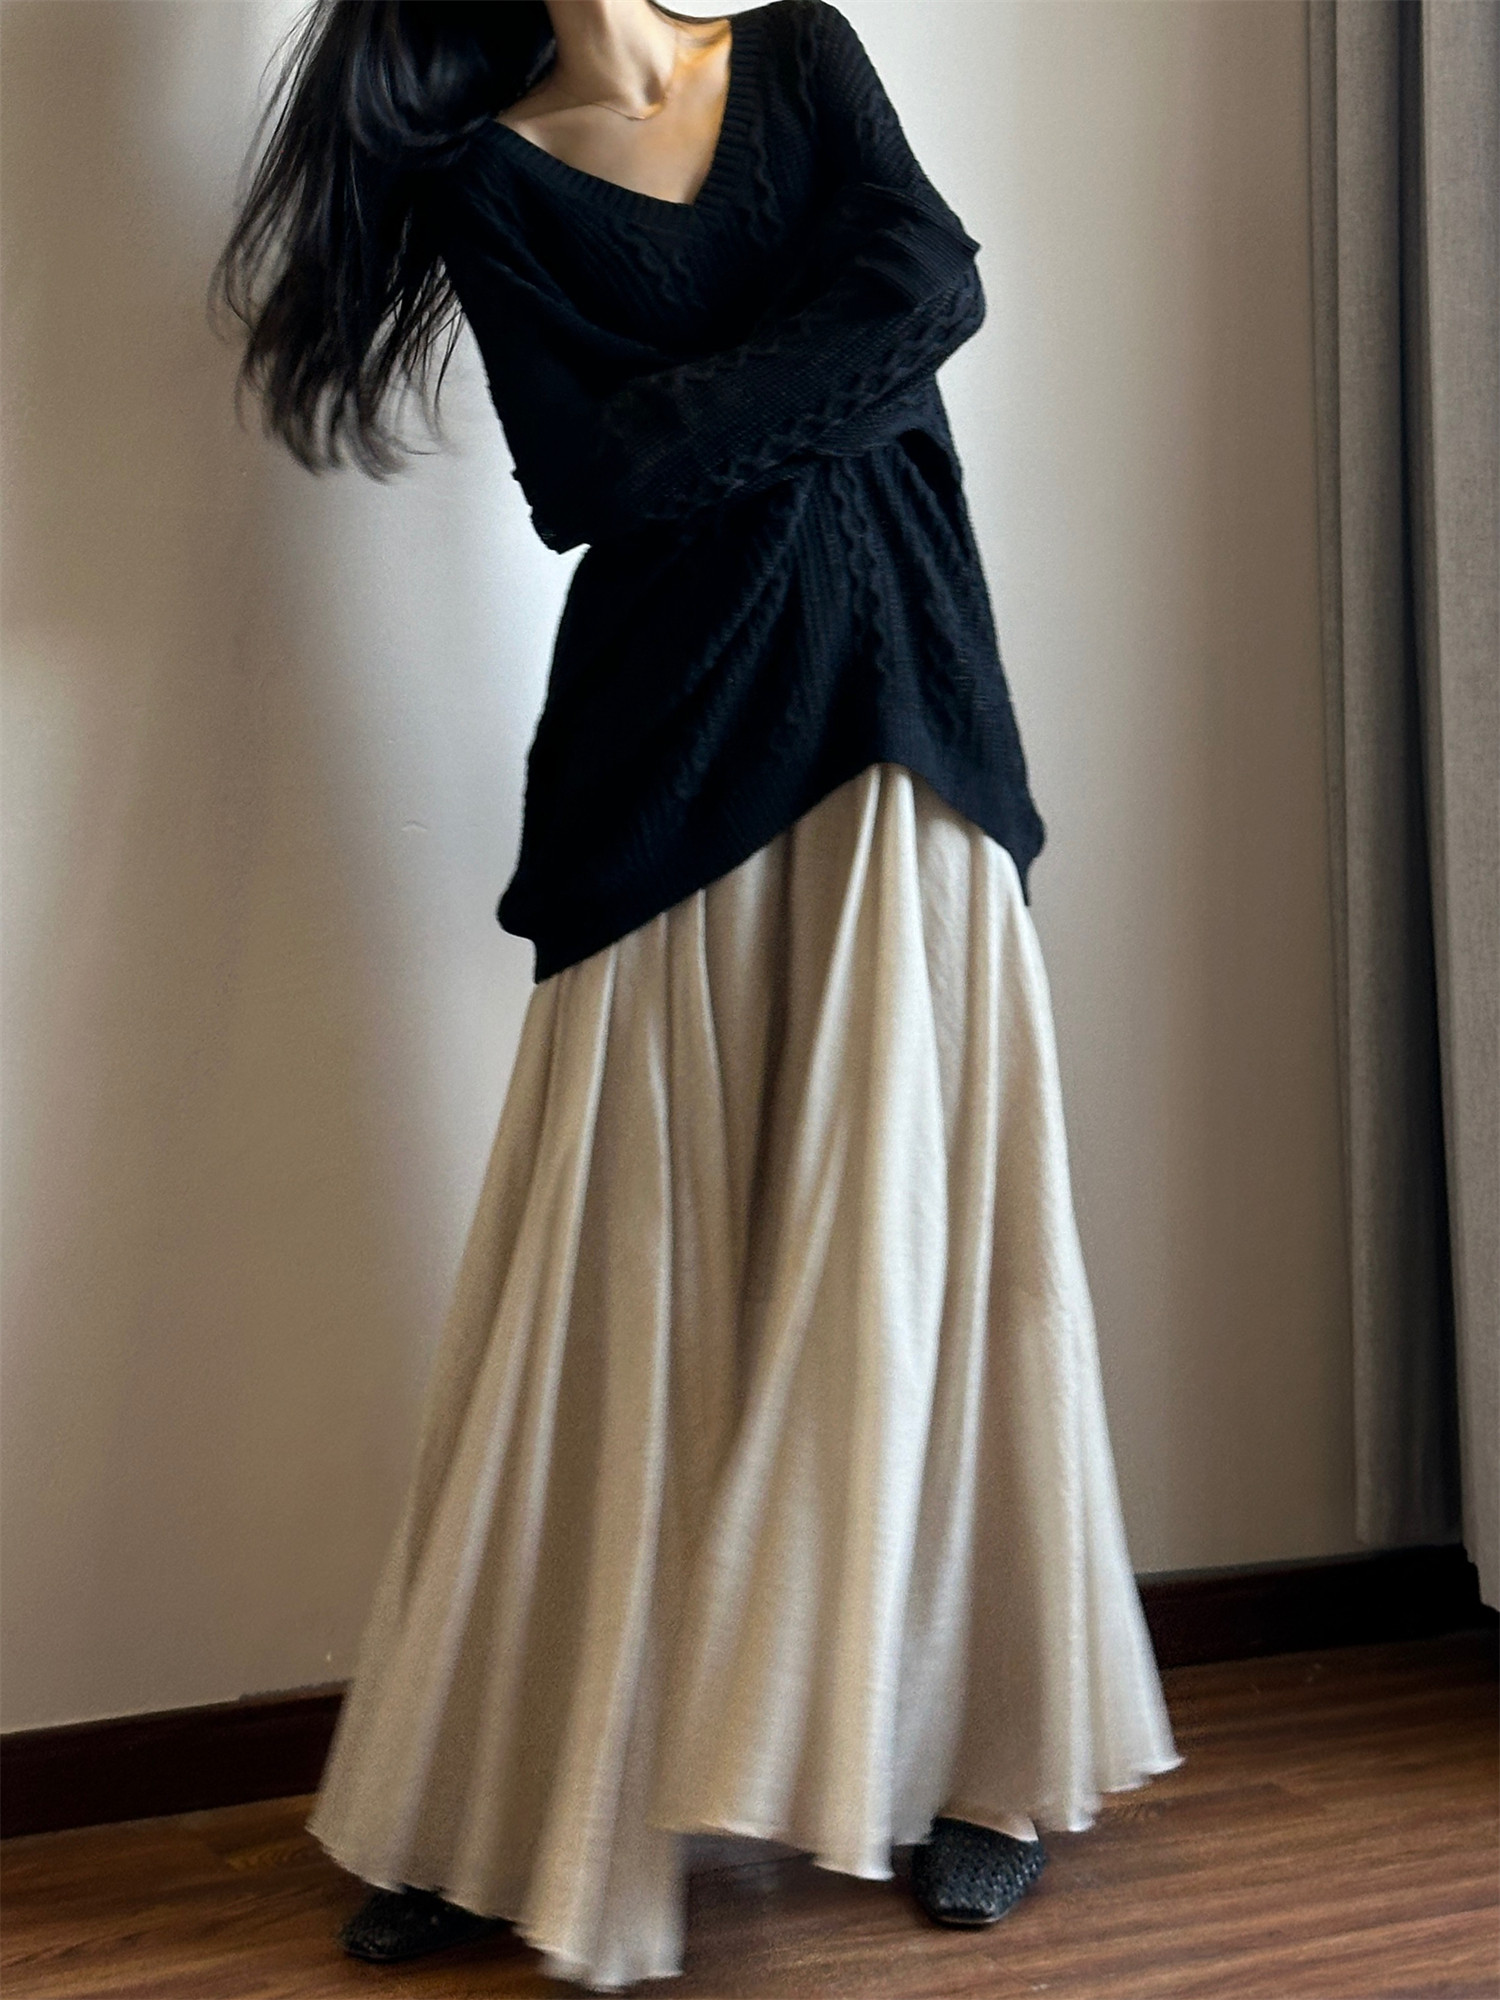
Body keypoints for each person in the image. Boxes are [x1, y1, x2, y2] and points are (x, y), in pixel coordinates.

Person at [214, 0, 1183, 1989]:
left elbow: (936, 288)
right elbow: (590, 477)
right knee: (611, 1283)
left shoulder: (804, 52)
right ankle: (510, 1803)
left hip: (904, 712)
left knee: (935, 1249)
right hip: (662, 761)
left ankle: (985, 1768)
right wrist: (825, 352)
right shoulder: (483, 168)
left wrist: (703, 412)